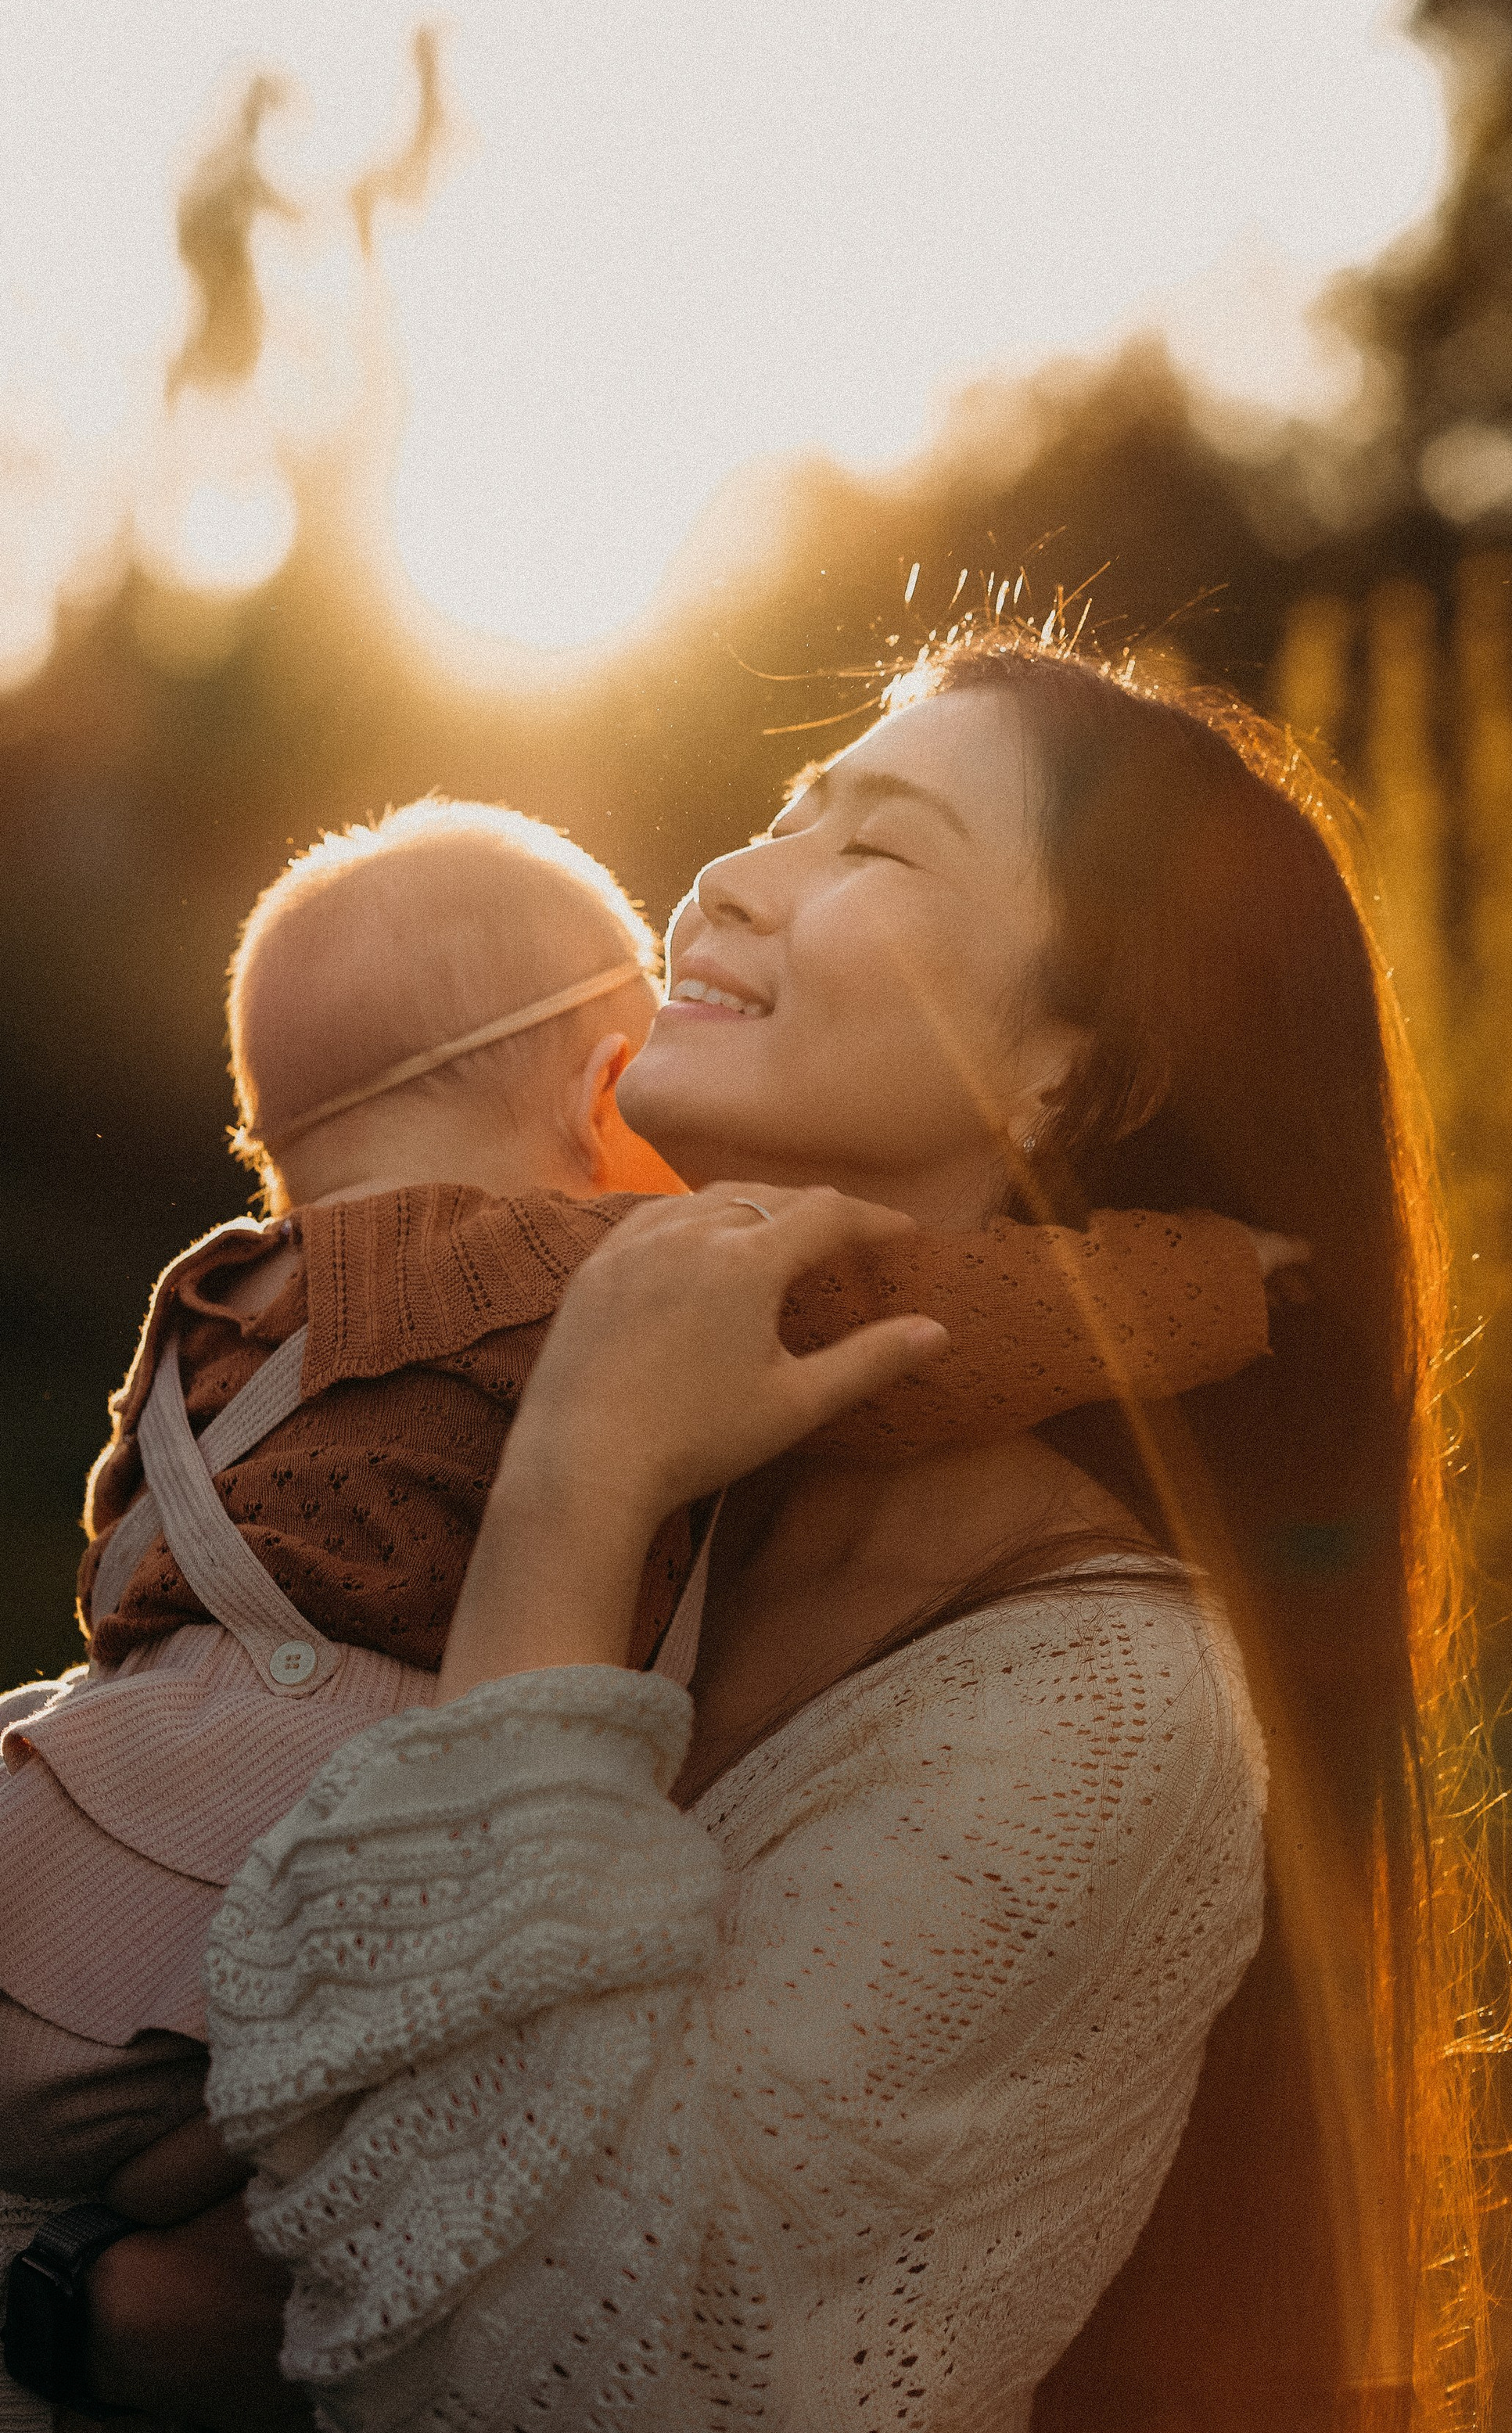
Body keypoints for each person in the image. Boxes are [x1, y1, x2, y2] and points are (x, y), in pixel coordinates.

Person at [67, 634, 1492, 2433]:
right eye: (775, 814)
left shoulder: (1099, 1712)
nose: (728, 877)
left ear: (1074, 1072)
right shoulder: (649, 1480)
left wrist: (572, 1496)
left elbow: (530, 2385)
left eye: (875, 848)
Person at [0, 796, 1275, 2242]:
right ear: (602, 1095)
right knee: (303, 2109)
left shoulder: (219, 1290)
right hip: (246, 1865)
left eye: (875, 844)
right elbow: (920, 1319)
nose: (730, 881)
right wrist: (1223, 1282)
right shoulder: (564, 1266)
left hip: (73, 1813)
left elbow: (126, 1541)